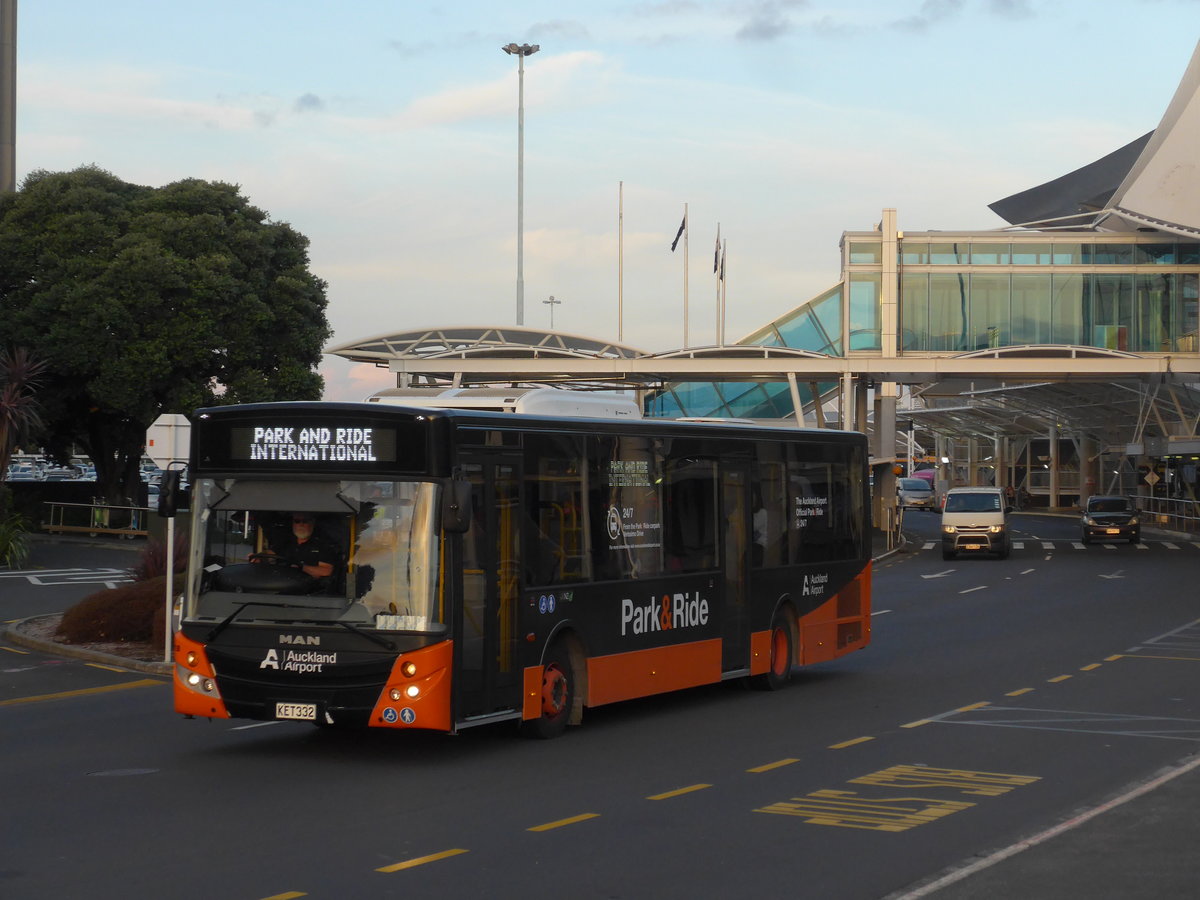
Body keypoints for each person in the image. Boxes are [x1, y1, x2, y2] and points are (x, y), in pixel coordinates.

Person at [268, 513, 338, 580]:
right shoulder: (285, 542)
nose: (301, 524)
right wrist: (260, 558)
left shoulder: (323, 544)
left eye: (305, 521)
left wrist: (301, 567)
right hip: (278, 585)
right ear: (293, 524)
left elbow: (326, 571)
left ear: (312, 523)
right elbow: (268, 555)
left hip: (310, 589)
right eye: (297, 521)